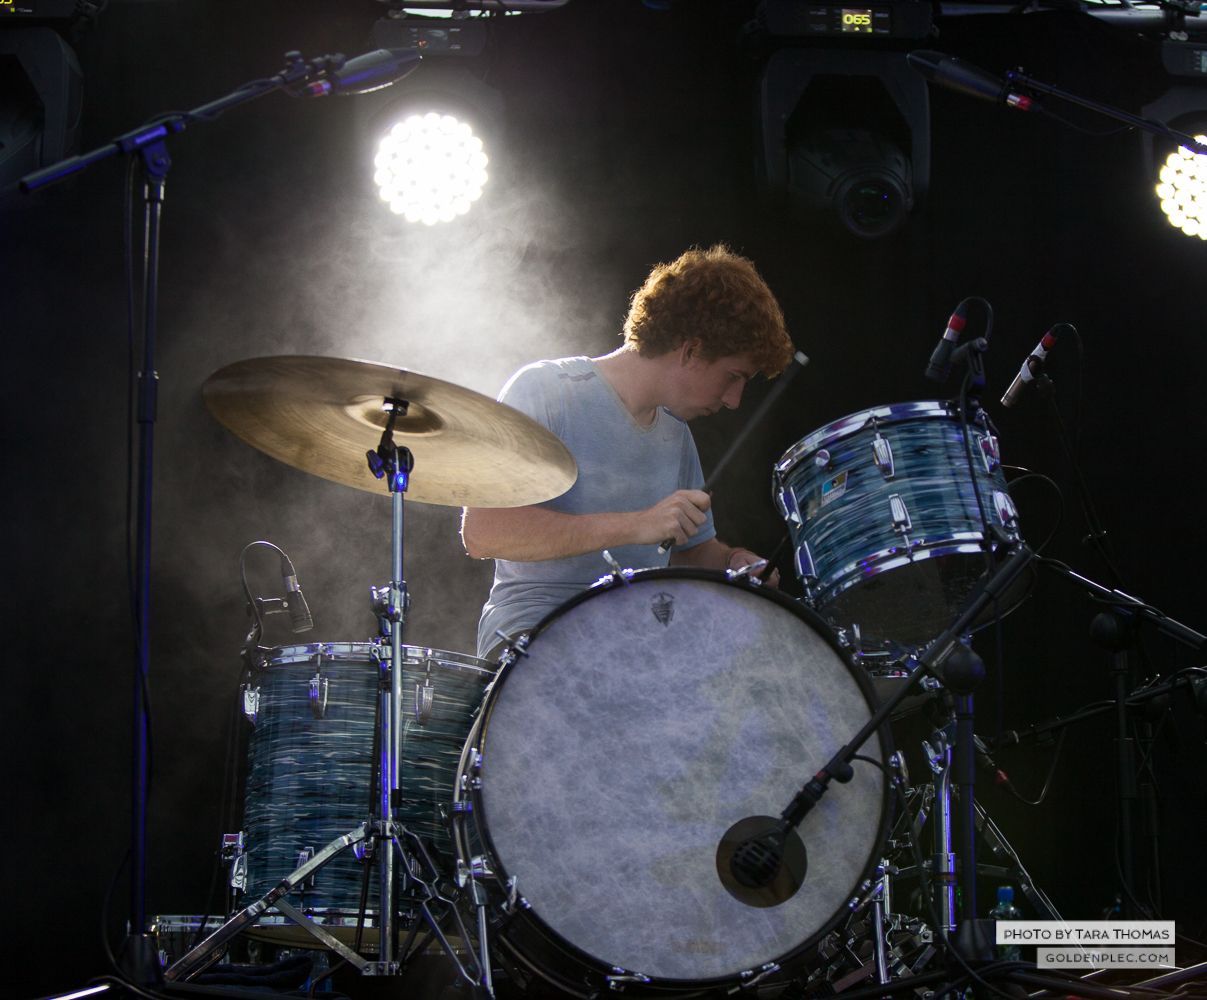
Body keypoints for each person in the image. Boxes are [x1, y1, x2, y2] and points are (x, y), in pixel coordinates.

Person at [461, 244, 795, 659]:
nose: (734, 400)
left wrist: (733, 560)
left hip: (635, 639)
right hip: (533, 632)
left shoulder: (676, 435)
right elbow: (485, 532)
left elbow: (684, 549)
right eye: (733, 377)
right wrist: (637, 524)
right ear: (691, 350)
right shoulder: (547, 390)